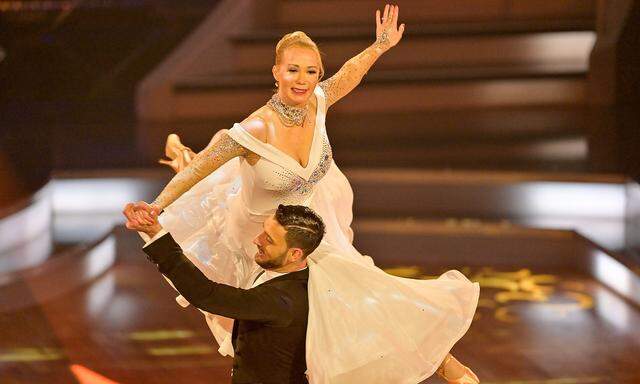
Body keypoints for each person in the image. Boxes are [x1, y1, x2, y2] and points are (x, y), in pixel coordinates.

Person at [125, 4, 480, 383]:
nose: (302, 79)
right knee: (210, 196)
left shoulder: (318, 103)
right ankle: (180, 155)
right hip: (263, 232)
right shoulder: (255, 128)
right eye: (293, 69)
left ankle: (448, 367)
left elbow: (350, 73)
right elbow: (202, 170)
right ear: (276, 72)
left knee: (360, 288)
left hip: (310, 221)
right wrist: (156, 206)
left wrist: (379, 47)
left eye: (311, 71)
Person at [130, 204, 323, 383]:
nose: (257, 239)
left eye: (269, 239)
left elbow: (206, 294)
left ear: (295, 254)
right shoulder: (294, 272)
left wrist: (155, 234)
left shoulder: (282, 301)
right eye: (264, 230)